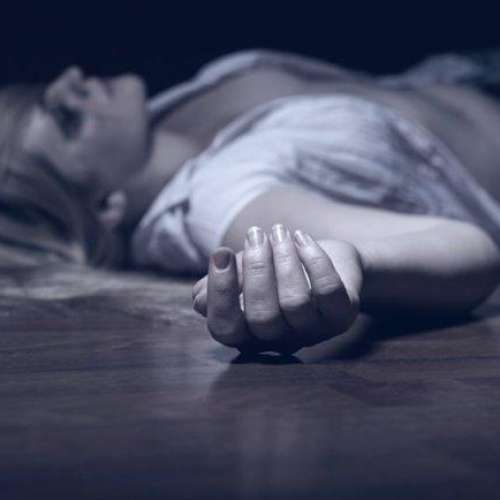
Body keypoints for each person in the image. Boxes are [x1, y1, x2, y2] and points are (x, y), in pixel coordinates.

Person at [1, 49, 500, 354]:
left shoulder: (158, 118)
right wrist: (351, 261)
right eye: (67, 120)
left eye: (45, 94)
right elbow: (467, 248)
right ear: (105, 207)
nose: (69, 78)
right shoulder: (219, 198)